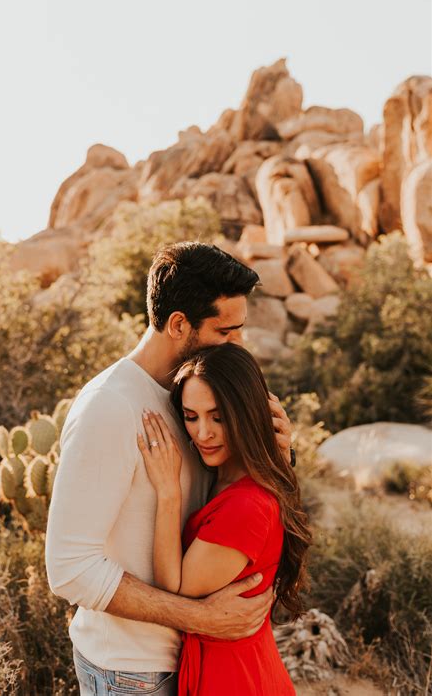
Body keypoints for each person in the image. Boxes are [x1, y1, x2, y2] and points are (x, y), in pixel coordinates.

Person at [46, 242, 293, 696]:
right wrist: (201, 617)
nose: (238, 344)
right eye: (227, 330)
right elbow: (68, 568)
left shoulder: (198, 394)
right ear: (179, 324)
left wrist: (275, 453)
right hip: (133, 673)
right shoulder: (110, 407)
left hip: (197, 664)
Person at [137, 343, 311, 696]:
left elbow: (175, 588)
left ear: (247, 413)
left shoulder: (246, 504)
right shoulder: (232, 476)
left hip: (234, 678)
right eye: (191, 416)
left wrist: (168, 493)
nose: (203, 433)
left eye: (218, 417)